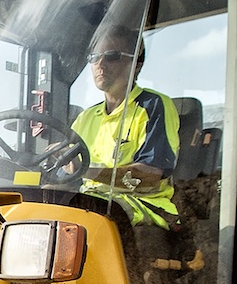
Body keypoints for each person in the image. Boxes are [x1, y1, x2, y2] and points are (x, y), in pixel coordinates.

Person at [70, 26, 181, 267]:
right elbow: (66, 171)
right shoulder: (85, 118)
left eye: (111, 56)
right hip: (92, 200)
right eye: (94, 57)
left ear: (137, 64)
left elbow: (150, 175)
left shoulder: (153, 106)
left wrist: (86, 170)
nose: (100, 64)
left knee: (83, 215)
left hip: (145, 206)